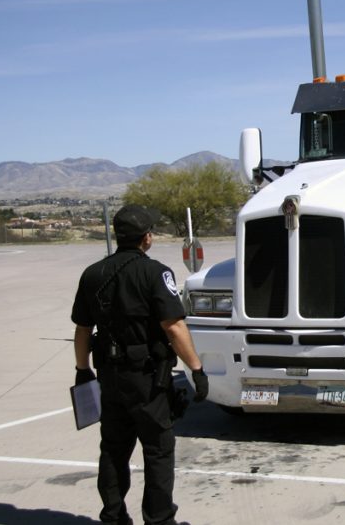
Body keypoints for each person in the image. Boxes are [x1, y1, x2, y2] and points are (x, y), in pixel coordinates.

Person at [71, 204, 208, 525]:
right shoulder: (155, 273)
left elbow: (82, 330)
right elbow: (173, 326)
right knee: (158, 449)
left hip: (109, 376)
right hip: (147, 378)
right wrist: (196, 369)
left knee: (113, 449)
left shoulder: (93, 274)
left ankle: (113, 517)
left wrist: (82, 370)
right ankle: (159, 519)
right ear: (147, 238)